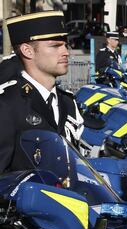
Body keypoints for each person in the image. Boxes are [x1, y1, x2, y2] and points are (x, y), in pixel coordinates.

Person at [0, 11, 84, 172]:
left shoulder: (67, 101)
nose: (66, 52)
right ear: (27, 51)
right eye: (55, 46)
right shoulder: (7, 104)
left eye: (65, 44)